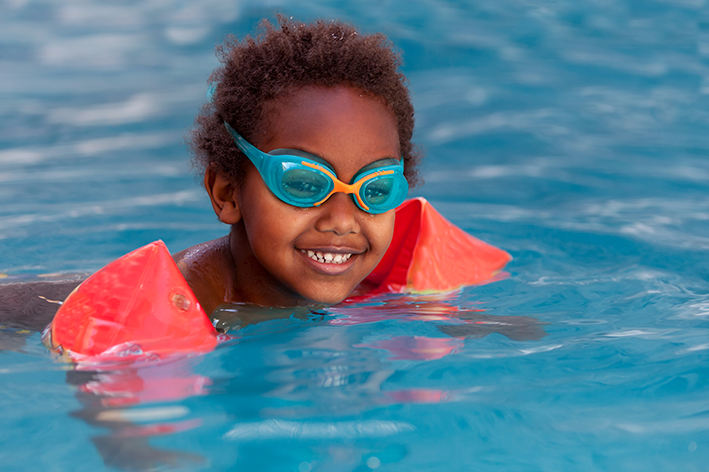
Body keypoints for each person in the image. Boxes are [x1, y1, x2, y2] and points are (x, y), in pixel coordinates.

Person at [172, 16, 422, 314]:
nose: (342, 222)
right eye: (304, 183)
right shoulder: (167, 308)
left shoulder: (389, 292)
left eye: (376, 189)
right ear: (226, 193)